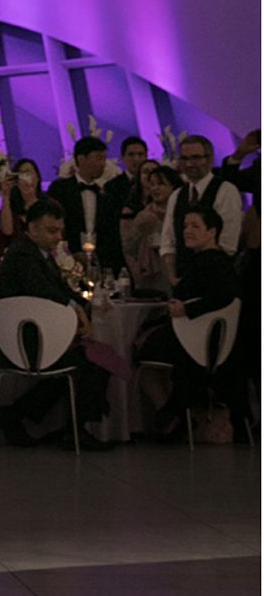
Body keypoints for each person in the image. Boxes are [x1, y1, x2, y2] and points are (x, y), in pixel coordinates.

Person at [0, 199, 112, 450]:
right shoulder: (24, 254)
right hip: (23, 340)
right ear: (32, 228)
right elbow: (43, 291)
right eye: (51, 231)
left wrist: (84, 302)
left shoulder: (39, 253)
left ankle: (15, 415)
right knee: (96, 363)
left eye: (60, 230)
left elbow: (60, 290)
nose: (58, 237)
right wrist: (78, 308)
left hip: (35, 336)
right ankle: (75, 431)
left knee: (87, 362)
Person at [137, 206, 243, 436]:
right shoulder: (205, 261)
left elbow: (225, 296)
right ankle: (174, 414)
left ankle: (169, 416)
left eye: (195, 226)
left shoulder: (214, 262)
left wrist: (186, 309)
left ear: (212, 231)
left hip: (199, 341)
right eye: (185, 226)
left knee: (140, 351)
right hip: (199, 339)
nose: (187, 231)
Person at [159, 135, 244, 269]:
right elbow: (168, 240)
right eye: (185, 158)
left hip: (215, 274)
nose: (189, 164)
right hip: (182, 276)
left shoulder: (226, 191)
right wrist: (172, 276)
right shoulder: (177, 195)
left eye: (195, 158)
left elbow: (228, 243)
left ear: (209, 159)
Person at [48, 136, 124, 275]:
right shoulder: (60, 189)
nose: (103, 164)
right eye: (98, 158)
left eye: (104, 158)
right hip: (66, 260)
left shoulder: (106, 195)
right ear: (81, 159)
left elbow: (109, 232)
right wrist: (72, 252)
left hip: (98, 263)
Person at [121, 162, 176, 290]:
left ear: (173, 186)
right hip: (150, 275)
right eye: (152, 184)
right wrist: (139, 228)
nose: (155, 188)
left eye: (161, 184)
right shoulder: (144, 215)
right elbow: (128, 247)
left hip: (174, 270)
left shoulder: (179, 214)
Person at [0, 158, 43, 247]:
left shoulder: (48, 204)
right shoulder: (11, 206)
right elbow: (7, 231)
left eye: (28, 174)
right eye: (21, 175)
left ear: (37, 177)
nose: (25, 179)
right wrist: (6, 195)